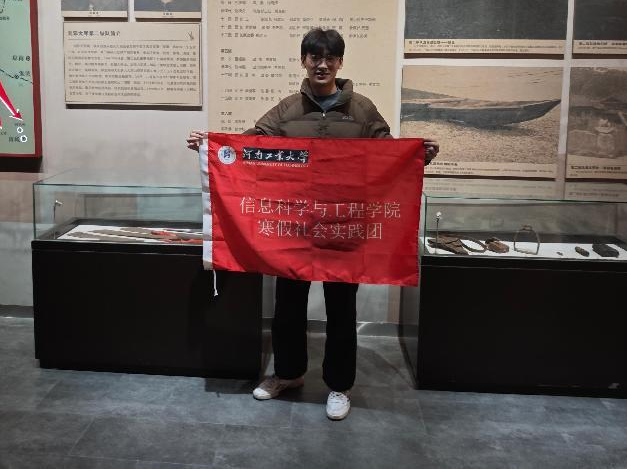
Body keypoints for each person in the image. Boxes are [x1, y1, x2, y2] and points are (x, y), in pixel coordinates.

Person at [187, 28, 439, 421]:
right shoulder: (288, 109)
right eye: (314, 57)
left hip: (344, 228)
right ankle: (288, 374)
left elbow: (390, 152)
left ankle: (340, 384)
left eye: (329, 58)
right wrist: (212, 146)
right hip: (294, 228)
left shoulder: (362, 110)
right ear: (303, 60)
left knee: (341, 308)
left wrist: (420, 155)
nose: (322, 65)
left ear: (340, 62)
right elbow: (251, 143)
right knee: (288, 305)